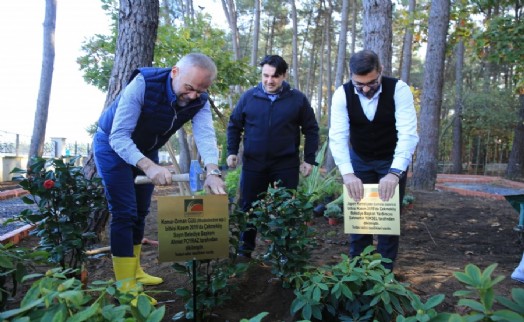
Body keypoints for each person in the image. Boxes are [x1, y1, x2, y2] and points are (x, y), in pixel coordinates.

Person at [93, 53, 226, 303]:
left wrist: (213, 171)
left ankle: (135, 271)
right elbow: (119, 136)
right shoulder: (144, 84)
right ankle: (125, 288)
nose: (194, 95)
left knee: (141, 211)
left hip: (146, 147)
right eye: (189, 87)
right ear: (175, 72)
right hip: (112, 145)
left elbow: (206, 135)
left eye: (201, 89)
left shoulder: (200, 100)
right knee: (125, 212)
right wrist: (149, 166)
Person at [329, 49, 419, 271]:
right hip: (359, 159)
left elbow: (408, 133)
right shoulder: (342, 94)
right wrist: (348, 174)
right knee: (359, 218)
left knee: (388, 220)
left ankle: (384, 273)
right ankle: (358, 269)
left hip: (391, 159)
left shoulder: (399, 89)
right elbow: (338, 136)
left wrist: (395, 172)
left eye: (372, 82)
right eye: (359, 84)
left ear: (381, 72)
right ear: (351, 76)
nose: (366, 89)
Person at [227, 54, 319, 258]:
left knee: (287, 208)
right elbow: (234, 125)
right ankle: (245, 250)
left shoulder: (297, 99)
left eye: (275, 76)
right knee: (249, 208)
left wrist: (309, 159)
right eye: (265, 75)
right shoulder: (249, 97)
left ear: (284, 75)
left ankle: (284, 251)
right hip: (254, 163)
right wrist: (232, 151)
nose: (269, 81)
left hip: (285, 164)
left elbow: (311, 129)